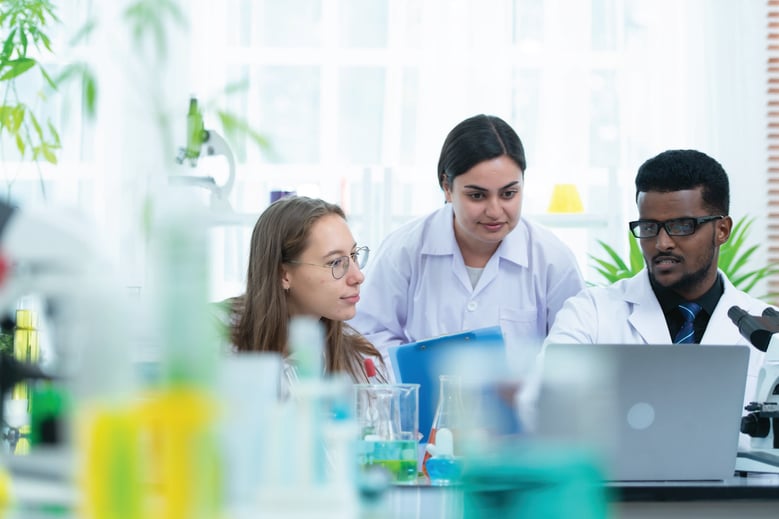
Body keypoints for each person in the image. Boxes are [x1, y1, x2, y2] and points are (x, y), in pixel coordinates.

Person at [349, 114, 586, 378]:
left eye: (509, 194)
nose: (495, 211)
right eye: (477, 195)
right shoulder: (405, 249)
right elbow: (366, 334)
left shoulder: (553, 258)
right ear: (447, 187)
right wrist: (417, 381)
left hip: (522, 413)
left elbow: (574, 353)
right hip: (425, 414)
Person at [542, 149, 769, 420]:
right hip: (619, 464)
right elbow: (544, 404)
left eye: (682, 226)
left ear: (722, 230)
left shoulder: (769, 331)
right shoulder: (590, 314)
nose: (661, 243)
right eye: (649, 227)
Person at [225, 195, 387, 388]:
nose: (358, 276)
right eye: (335, 262)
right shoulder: (213, 344)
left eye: (354, 256)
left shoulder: (356, 360)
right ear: (283, 275)